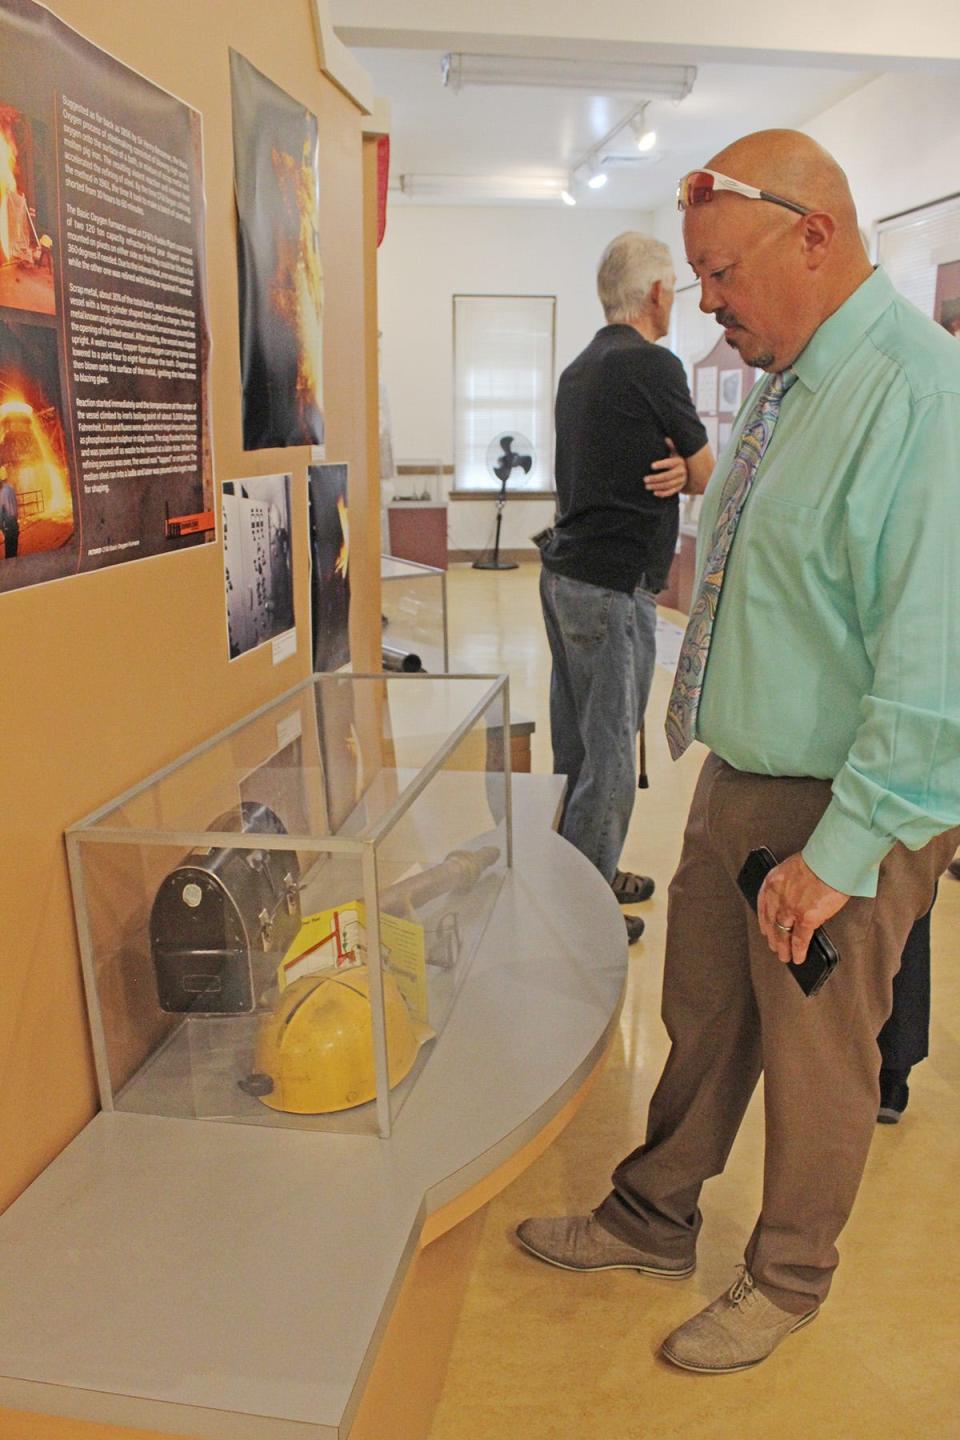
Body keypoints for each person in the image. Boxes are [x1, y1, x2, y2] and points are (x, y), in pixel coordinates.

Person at [517, 131, 960, 1372]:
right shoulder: (791, 377)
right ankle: (652, 1215)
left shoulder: (920, 398)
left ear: (813, 236)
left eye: (720, 275)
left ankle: (788, 1278)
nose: (703, 306)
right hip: (746, 768)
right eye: (696, 279)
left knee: (819, 1056)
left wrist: (848, 849)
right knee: (704, 1009)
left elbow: (937, 666)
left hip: (848, 791)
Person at [537, 232, 714, 944]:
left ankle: (582, 873)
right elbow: (706, 472)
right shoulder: (654, 364)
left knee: (576, 748)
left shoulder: (581, 369)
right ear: (658, 294)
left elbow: (620, 461)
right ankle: (578, 913)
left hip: (566, 577)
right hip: (612, 588)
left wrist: (671, 464)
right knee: (609, 758)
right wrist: (683, 467)